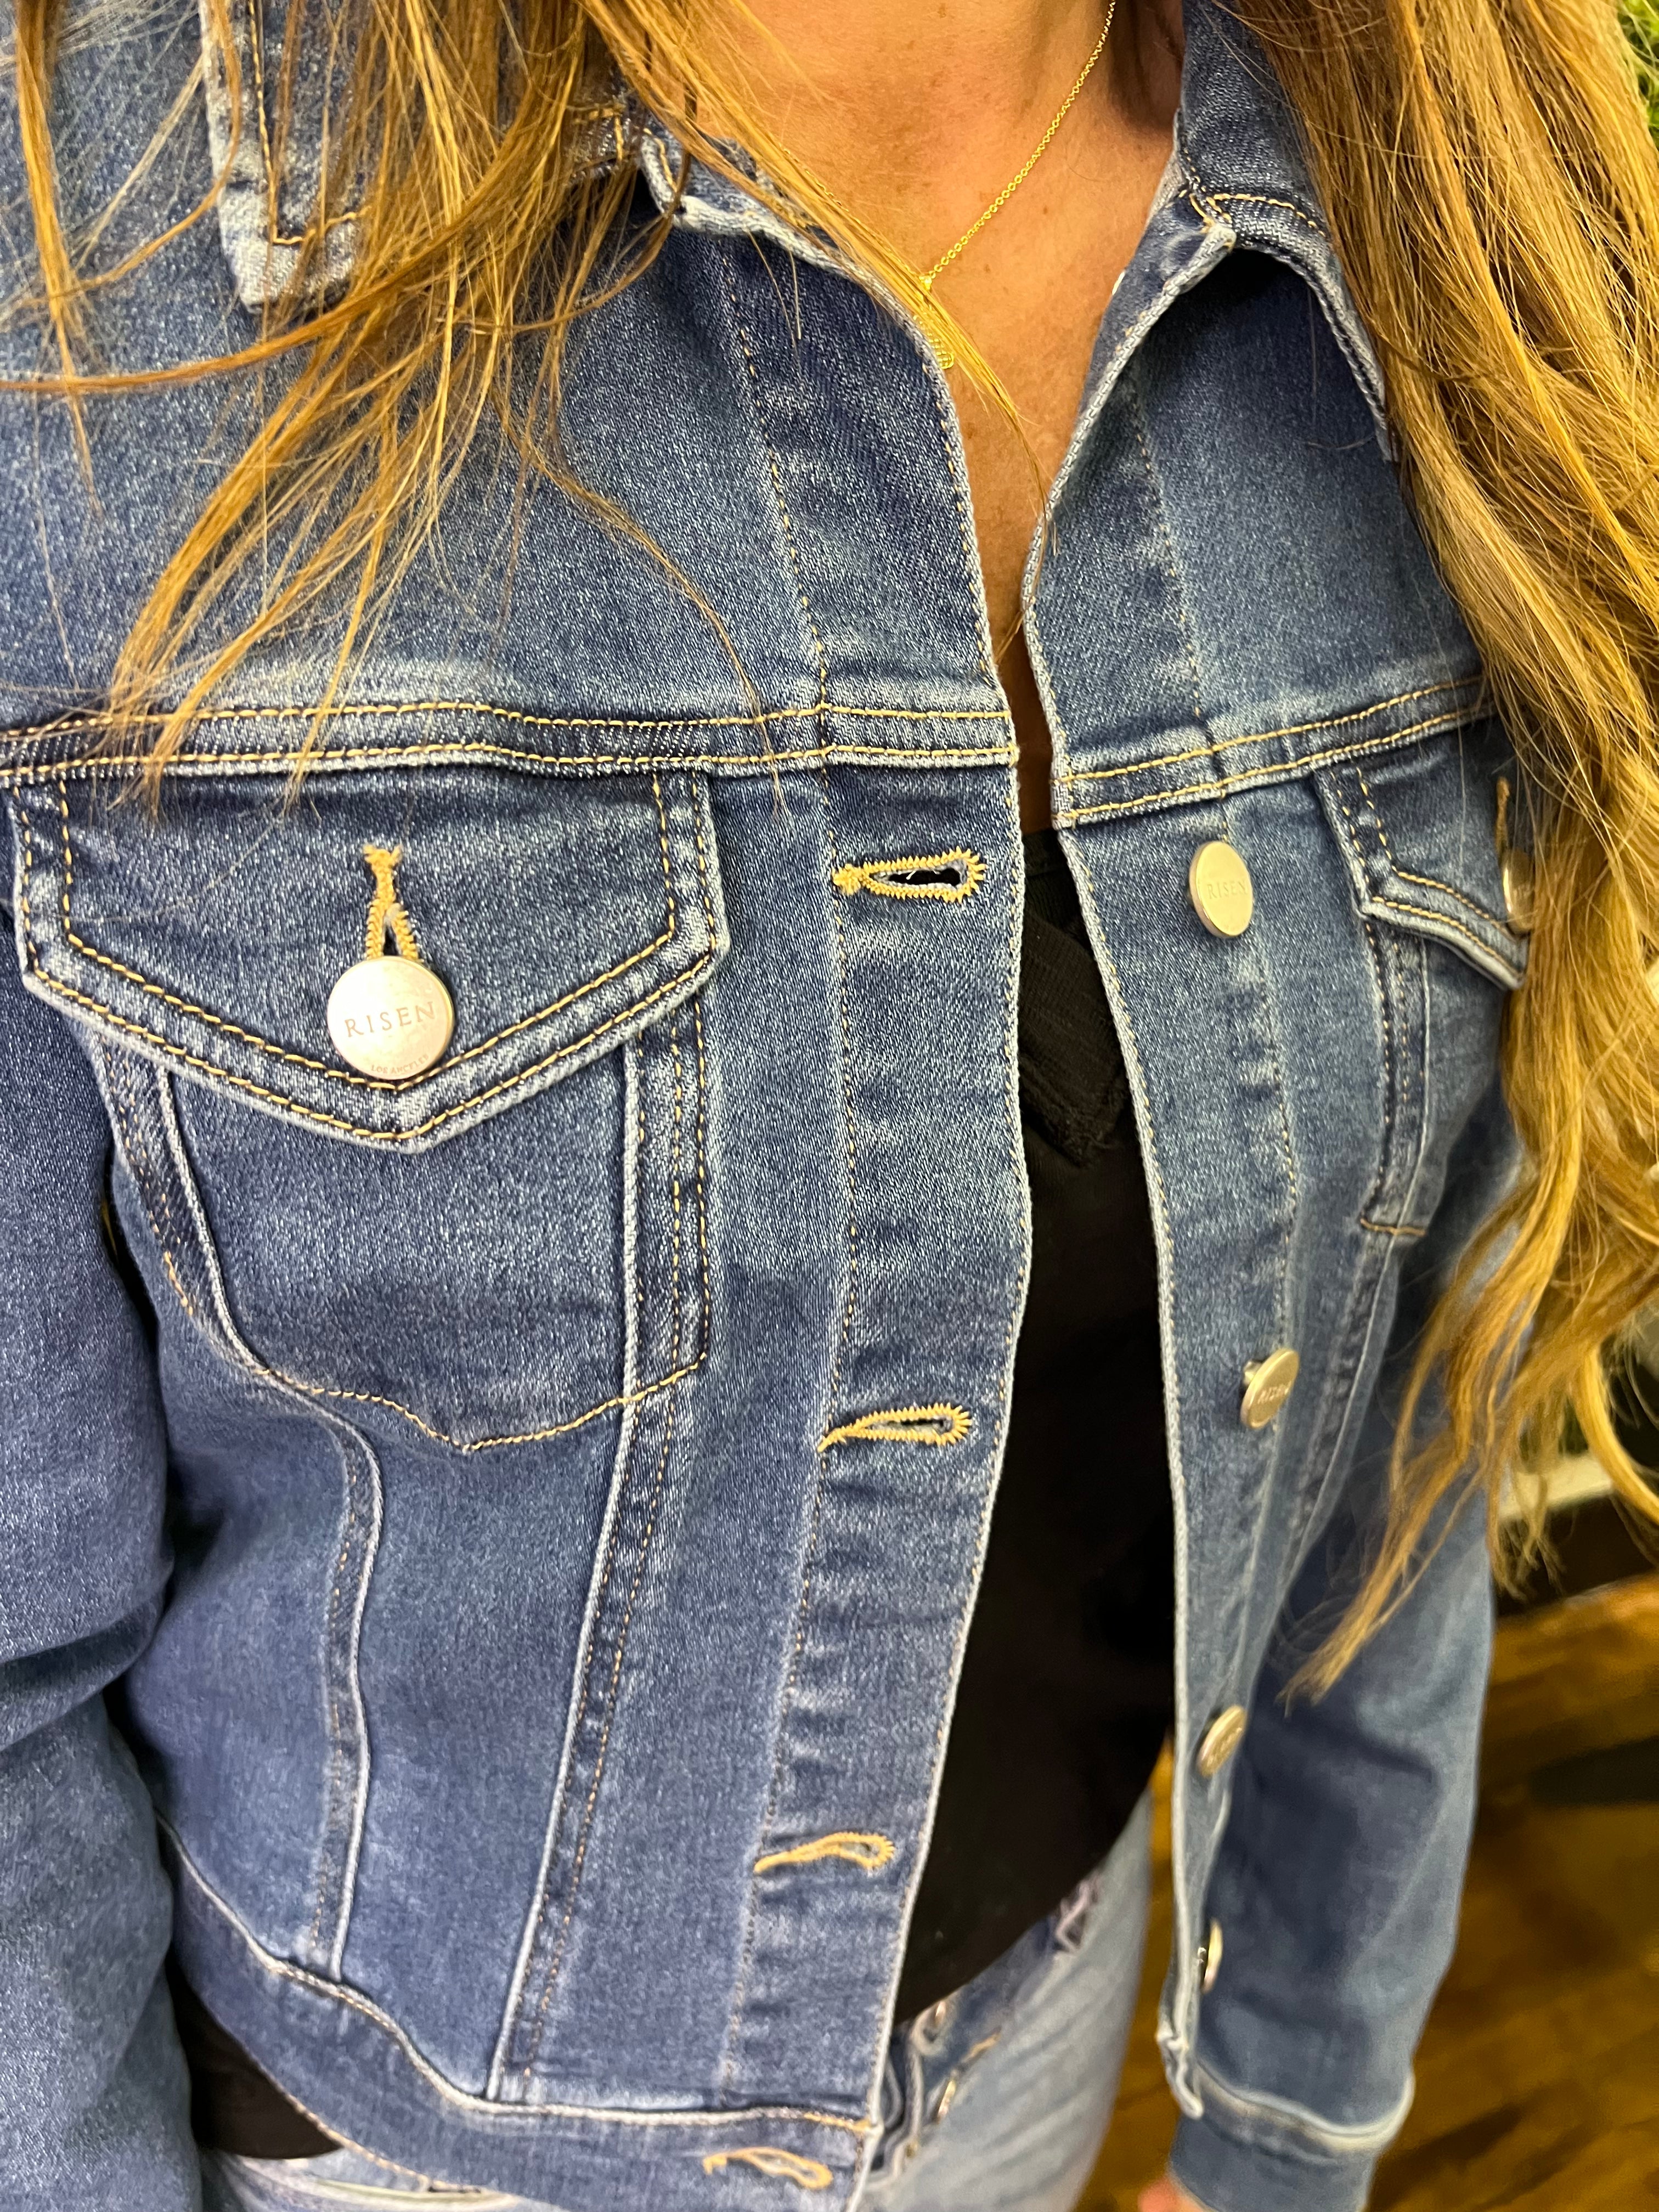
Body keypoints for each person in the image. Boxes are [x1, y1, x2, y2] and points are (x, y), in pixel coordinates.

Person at [3, 0, 1657, 2207]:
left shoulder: (1447, 197)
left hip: (1044, 2039)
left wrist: (1287, 2118)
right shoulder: (84, 242)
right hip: (375, 2148)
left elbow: (1405, 1388)